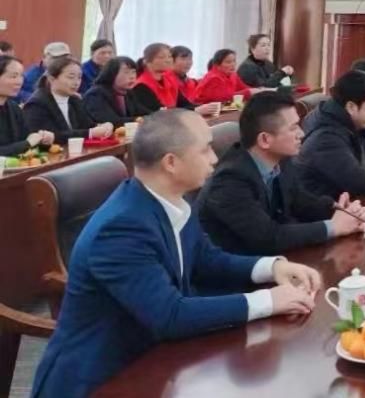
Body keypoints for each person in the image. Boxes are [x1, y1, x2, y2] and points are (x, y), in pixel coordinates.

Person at [30, 109, 320, 398]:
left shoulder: (171, 201)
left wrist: (272, 267)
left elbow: (207, 260)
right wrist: (269, 301)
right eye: (205, 150)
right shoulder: (121, 228)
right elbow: (169, 315)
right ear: (171, 162)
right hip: (101, 380)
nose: (214, 158)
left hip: (155, 361)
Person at [198, 90, 365, 254]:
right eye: (293, 128)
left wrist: (339, 210)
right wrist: (333, 227)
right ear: (265, 139)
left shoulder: (281, 160)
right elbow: (268, 237)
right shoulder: (230, 181)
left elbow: (302, 203)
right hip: (240, 268)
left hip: (277, 259)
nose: (301, 133)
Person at [22, 56, 114, 143]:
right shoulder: (37, 104)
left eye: (79, 77)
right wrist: (90, 133)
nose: (76, 82)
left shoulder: (74, 100)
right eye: (71, 77)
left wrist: (104, 126)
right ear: (52, 79)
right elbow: (50, 136)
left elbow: (87, 125)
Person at [134, 43, 217, 117]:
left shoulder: (169, 80)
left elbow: (183, 104)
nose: (168, 60)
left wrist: (205, 108)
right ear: (147, 62)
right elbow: (158, 113)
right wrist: (194, 111)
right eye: (161, 57)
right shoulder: (141, 85)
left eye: (169, 56)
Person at [0, 54, 54, 155]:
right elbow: (26, 143)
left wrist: (43, 143)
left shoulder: (14, 108)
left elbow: (27, 143)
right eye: (13, 76)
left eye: (21, 76)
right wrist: (27, 143)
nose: (19, 82)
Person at [81, 56, 145, 128]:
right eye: (126, 72)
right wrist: (136, 120)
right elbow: (110, 121)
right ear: (112, 74)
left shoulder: (128, 93)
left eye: (133, 72)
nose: (132, 77)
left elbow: (143, 112)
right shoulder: (96, 94)